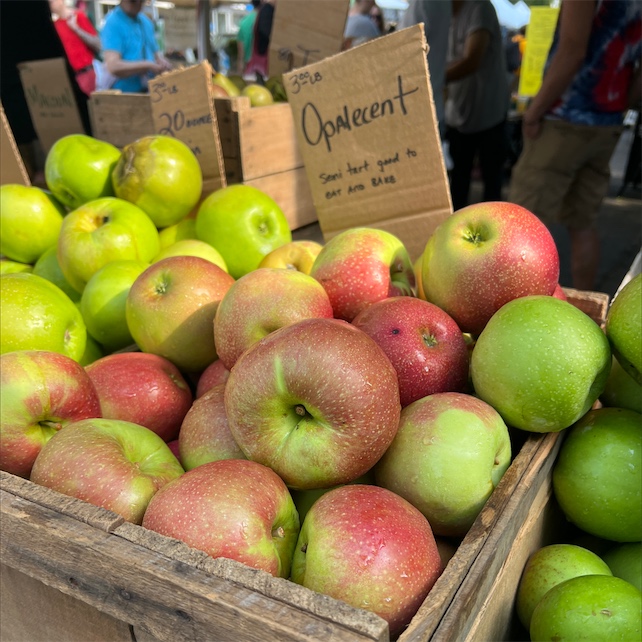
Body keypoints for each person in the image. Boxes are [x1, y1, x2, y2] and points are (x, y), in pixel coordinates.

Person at [509, 0, 641, 291]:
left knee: (519, 227)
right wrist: (619, 102)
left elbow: (572, 50)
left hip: (564, 118)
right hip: (608, 121)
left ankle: (511, 311)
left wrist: (533, 112)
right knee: (582, 223)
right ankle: (582, 306)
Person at [444, 0, 510, 211]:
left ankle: (497, 237)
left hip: (489, 113)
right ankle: (453, 231)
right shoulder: (441, 16)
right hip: (458, 113)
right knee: (459, 180)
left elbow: (472, 59)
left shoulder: (479, 8)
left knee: (491, 181)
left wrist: (434, 79)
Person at [399, 0, 452, 139]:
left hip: (416, 116)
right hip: (429, 110)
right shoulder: (438, 4)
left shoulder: (423, 4)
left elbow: (402, 56)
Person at [100, 0, 172, 93]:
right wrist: (147, 65)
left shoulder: (146, 22)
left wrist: (162, 63)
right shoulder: (112, 23)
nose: (138, 3)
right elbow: (113, 66)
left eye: (141, 1)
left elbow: (156, 56)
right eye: (133, 1)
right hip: (123, 94)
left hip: (150, 90)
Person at [49, 0, 101, 96]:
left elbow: (98, 44)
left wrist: (76, 28)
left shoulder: (78, 16)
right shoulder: (55, 25)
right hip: (68, 75)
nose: (50, 5)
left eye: (51, 2)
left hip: (85, 73)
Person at [246, 0, 276, 81]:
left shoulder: (264, 9)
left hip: (260, 62)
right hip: (265, 66)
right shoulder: (267, 9)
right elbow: (264, 36)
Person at [237, 0, 261, 76]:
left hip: (249, 65)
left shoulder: (244, 22)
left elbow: (241, 46)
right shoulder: (266, 20)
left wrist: (241, 62)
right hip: (264, 64)